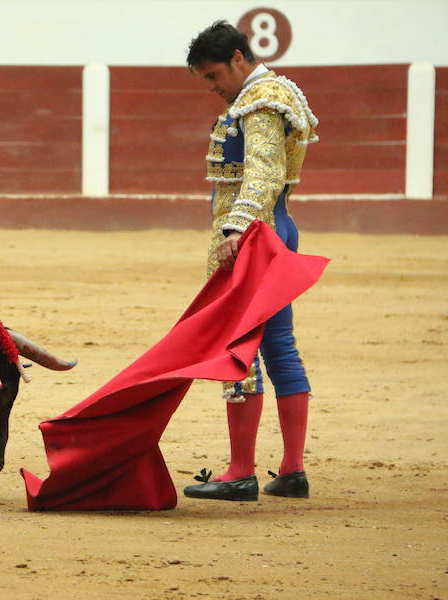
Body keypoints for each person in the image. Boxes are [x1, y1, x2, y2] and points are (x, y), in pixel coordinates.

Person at [181, 21, 319, 502]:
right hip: (275, 229)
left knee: (239, 345)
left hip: (255, 235)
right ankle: (292, 469)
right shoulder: (268, 94)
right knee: (279, 343)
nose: (213, 87)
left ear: (239, 58)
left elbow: (263, 172)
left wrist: (236, 227)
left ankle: (240, 470)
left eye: (214, 75)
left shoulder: (260, 99)